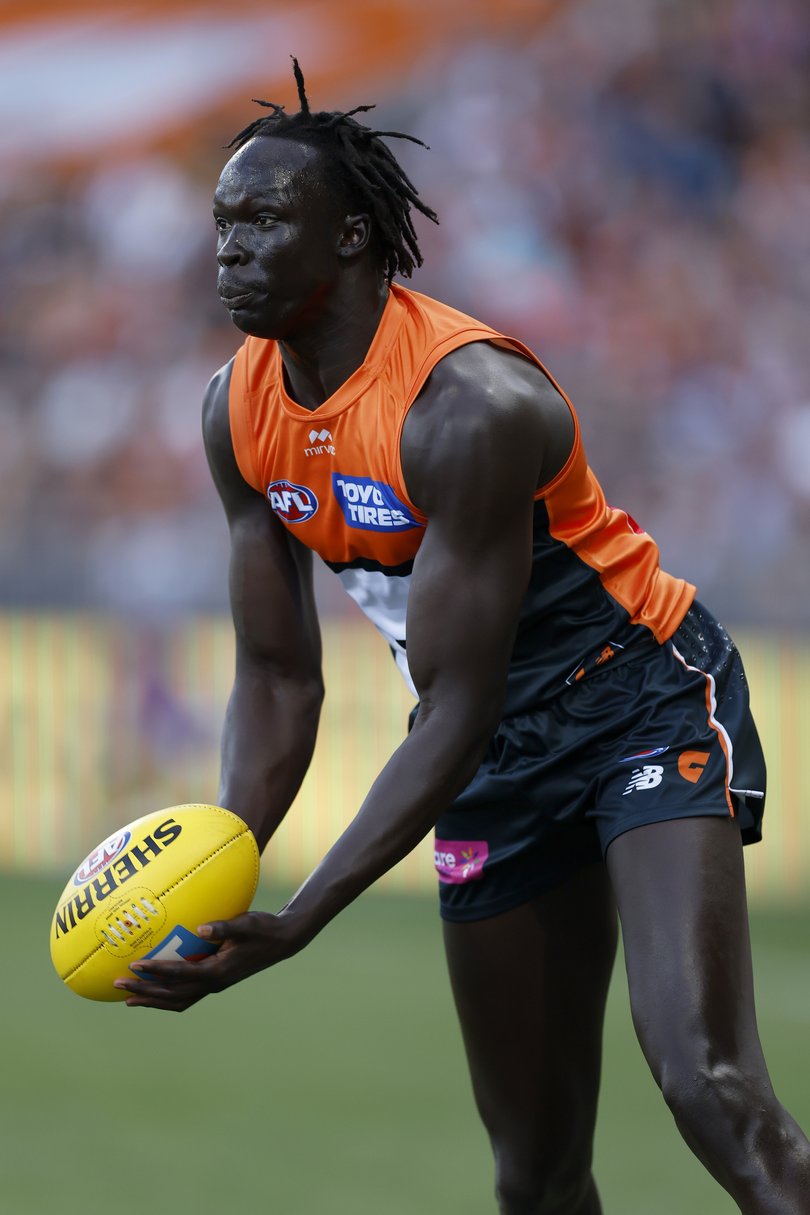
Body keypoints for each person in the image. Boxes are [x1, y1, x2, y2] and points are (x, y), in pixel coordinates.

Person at [114, 60, 810, 1214]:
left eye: (263, 220)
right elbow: (282, 678)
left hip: (638, 698)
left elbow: (455, 705)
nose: (227, 250)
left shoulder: (469, 408)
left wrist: (299, 921)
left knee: (709, 1083)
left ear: (350, 238)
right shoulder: (234, 410)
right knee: (532, 1179)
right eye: (222, 223)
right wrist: (218, 864)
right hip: (493, 755)